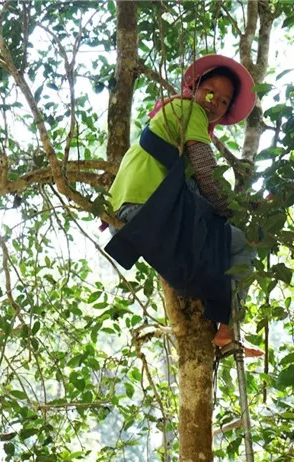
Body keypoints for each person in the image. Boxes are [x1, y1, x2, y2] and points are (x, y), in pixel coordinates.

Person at [102, 54, 261, 357]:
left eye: (225, 101)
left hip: (130, 217)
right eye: (210, 91)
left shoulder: (170, 118)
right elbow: (205, 171)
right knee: (245, 244)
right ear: (194, 89)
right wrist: (236, 213)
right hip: (148, 210)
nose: (214, 101)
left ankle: (219, 325)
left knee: (212, 261)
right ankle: (228, 329)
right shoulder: (189, 110)